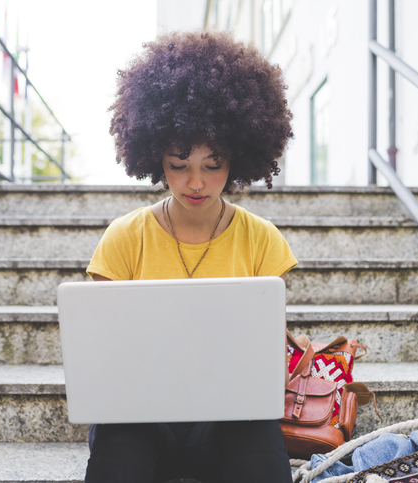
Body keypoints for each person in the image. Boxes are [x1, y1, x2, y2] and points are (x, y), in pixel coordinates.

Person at [84, 30, 297, 483]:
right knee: (119, 457)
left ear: (237, 159)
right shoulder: (123, 239)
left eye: (212, 164)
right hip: (138, 421)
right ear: (155, 158)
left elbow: (270, 369)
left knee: (260, 457)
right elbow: (104, 363)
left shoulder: (263, 240)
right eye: (179, 164)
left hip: (232, 421)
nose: (195, 182)